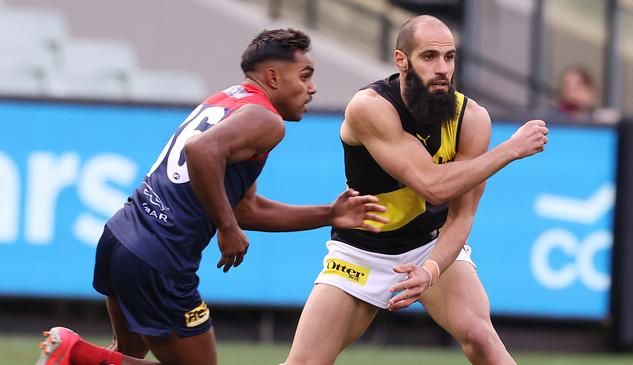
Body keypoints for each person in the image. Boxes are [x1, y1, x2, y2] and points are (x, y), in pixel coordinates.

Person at [36, 28, 388, 365]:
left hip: (122, 237)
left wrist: (328, 214)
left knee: (123, 354)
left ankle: (76, 357)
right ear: (273, 77)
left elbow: (246, 208)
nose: (311, 89)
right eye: (305, 76)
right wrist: (226, 228)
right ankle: (74, 354)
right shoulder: (267, 120)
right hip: (160, 255)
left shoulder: (228, 99)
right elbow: (201, 151)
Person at [282, 15, 548, 365]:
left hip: (430, 244)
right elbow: (433, 186)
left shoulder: (471, 118)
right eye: (429, 56)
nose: (442, 68)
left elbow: (462, 214)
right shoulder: (370, 107)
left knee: (482, 338)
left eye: (449, 57)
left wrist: (432, 269)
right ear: (401, 60)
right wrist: (509, 150)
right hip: (362, 252)